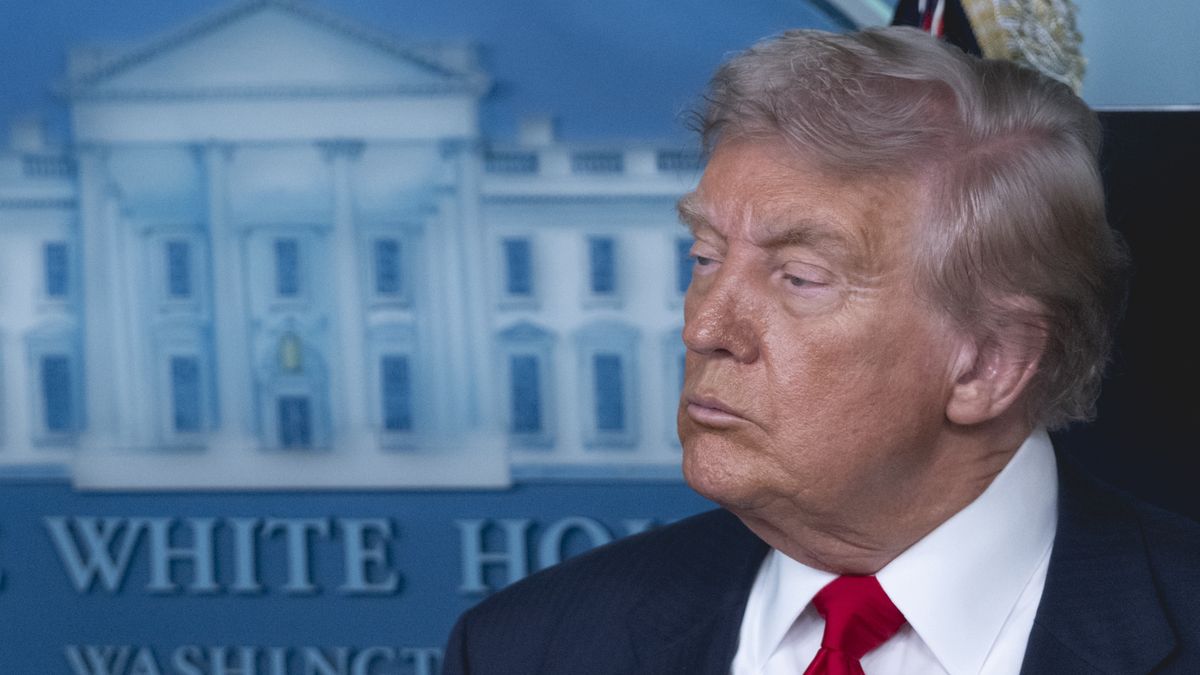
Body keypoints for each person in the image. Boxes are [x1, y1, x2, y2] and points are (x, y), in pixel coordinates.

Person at [442, 27, 1200, 675]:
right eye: (705, 257)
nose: (706, 327)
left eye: (799, 277)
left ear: (988, 363)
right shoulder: (532, 646)